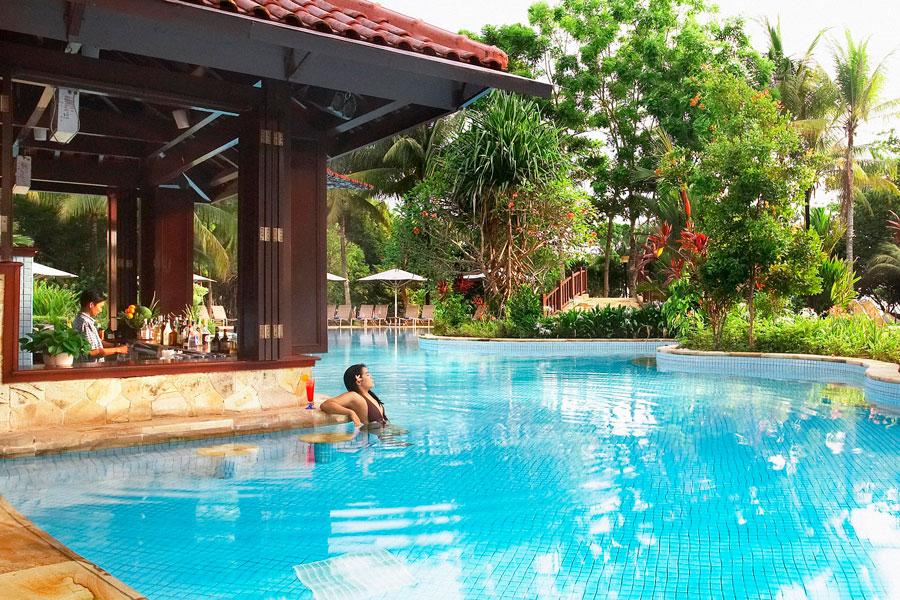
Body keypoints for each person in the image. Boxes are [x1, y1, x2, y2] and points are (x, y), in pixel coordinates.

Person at [320, 364, 388, 428]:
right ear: (358, 381)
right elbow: (326, 405)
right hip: (373, 437)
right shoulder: (354, 396)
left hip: (384, 433)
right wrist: (350, 412)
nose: (371, 377)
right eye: (367, 375)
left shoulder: (370, 395)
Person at [71, 290, 129, 359]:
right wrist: (118, 350)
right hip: (91, 367)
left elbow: (95, 343)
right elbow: (93, 352)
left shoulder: (79, 319)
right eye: (100, 307)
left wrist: (114, 346)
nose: (101, 310)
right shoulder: (86, 323)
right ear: (91, 305)